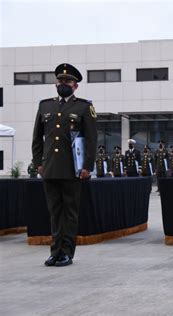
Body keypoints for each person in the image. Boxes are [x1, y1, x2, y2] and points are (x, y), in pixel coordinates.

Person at [31, 63, 97, 267]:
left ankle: (67, 252)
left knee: (69, 213)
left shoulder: (84, 107)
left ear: (75, 86)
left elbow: (91, 139)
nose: (63, 84)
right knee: (54, 212)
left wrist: (87, 166)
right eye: (60, 81)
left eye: (67, 81)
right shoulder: (45, 106)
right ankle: (55, 252)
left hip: (72, 169)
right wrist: (38, 163)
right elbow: (37, 138)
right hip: (50, 168)